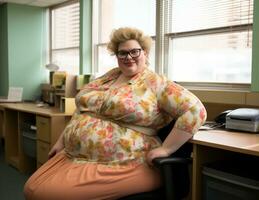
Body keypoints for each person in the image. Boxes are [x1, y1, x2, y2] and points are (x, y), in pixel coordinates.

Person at [24, 27, 207, 200]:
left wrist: (166, 149)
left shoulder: (156, 83)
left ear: (145, 52)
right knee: (32, 188)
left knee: (46, 195)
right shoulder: (109, 77)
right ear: (116, 55)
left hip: (126, 163)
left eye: (134, 51)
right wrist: (62, 140)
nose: (129, 57)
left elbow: (195, 111)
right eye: (122, 53)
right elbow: (82, 110)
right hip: (76, 157)